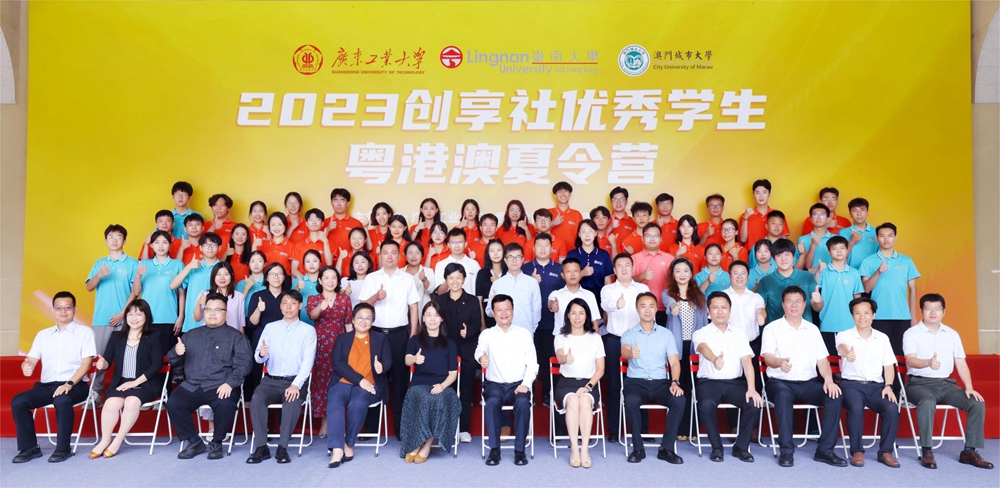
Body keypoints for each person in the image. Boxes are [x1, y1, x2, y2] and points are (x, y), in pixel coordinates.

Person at [903, 293, 994, 470]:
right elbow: (911, 360)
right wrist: (927, 362)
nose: (933, 312)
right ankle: (927, 451)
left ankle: (969, 452)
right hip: (919, 384)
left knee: (976, 403)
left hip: (945, 384)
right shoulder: (911, 333)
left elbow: (961, 362)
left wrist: (969, 387)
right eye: (928, 308)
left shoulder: (952, 334)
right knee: (927, 401)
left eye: (937, 309)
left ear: (943, 312)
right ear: (922, 311)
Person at [760, 286, 847, 468]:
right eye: (789, 301)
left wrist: (829, 381)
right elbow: (768, 358)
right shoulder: (772, 328)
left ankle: (825, 451)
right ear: (783, 305)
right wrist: (779, 362)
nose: (794, 305)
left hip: (808, 384)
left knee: (834, 395)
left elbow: (822, 361)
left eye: (798, 301)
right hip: (780, 383)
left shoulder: (812, 329)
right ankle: (786, 451)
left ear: (804, 304)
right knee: (783, 395)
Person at [11, 292, 96, 464]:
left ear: (75, 309)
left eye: (67, 307)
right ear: (52, 310)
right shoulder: (43, 334)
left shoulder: (85, 332)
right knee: (18, 401)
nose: (63, 311)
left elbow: (86, 364)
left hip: (76, 385)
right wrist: (26, 366)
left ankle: (63, 449)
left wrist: (69, 384)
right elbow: (30, 359)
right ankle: (30, 448)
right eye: (59, 308)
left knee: (62, 400)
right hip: (47, 386)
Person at [167, 292, 253, 460]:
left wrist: (230, 383)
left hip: (222, 384)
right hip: (194, 384)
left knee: (225, 403)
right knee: (174, 403)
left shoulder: (237, 337)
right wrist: (177, 352)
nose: (212, 313)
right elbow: (172, 359)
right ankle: (194, 442)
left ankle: (217, 442)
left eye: (217, 310)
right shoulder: (191, 335)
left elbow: (245, 364)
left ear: (226, 313)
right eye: (208, 310)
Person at [248, 290, 317, 464]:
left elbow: (307, 363)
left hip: (295, 380)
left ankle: (282, 448)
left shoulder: (308, 331)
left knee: (292, 402)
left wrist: (295, 385)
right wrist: (262, 354)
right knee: (256, 399)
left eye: (293, 303)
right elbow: (258, 357)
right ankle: (261, 447)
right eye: (285, 303)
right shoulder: (270, 328)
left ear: (299, 306)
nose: (288, 307)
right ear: (280, 306)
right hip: (270, 381)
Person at [359, 240, 420, 438]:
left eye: (394, 252)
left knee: (401, 381)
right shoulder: (372, 278)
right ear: (380, 255)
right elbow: (361, 307)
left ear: (399, 255)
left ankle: (401, 427)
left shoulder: (407, 279)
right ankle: (371, 428)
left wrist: (413, 334)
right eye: (386, 252)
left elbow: (413, 307)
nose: (390, 256)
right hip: (375, 334)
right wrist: (375, 297)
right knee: (374, 378)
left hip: (400, 334)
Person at [692, 292, 762, 462]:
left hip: (734, 384)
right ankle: (717, 447)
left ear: (730, 310)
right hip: (709, 384)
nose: (720, 311)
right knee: (706, 405)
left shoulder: (739, 333)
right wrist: (714, 359)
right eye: (715, 308)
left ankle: (741, 447)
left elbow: (747, 361)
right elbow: (702, 348)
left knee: (754, 403)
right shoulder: (701, 333)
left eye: (724, 307)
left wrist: (751, 388)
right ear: (708, 311)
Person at [91, 299, 164, 458]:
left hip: (145, 383)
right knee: (110, 403)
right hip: (121, 382)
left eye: (139, 314)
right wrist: (102, 364)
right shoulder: (117, 336)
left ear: (146, 316)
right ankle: (105, 440)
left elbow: (156, 365)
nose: (134, 318)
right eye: (130, 314)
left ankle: (118, 440)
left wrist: (135, 383)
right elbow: (107, 362)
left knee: (131, 401)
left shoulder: (154, 336)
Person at [620, 292, 686, 465]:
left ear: (657, 309)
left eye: (651, 306)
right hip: (636, 382)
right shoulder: (629, 334)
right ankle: (638, 448)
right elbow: (624, 350)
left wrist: (675, 382)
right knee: (631, 400)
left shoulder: (666, 334)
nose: (647, 310)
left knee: (679, 400)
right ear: (637, 309)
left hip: (661, 384)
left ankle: (666, 448)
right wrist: (630, 353)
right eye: (643, 306)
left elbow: (674, 362)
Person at [835, 297, 900, 468]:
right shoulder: (844, 335)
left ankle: (885, 452)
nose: (862, 317)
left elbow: (889, 366)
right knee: (856, 408)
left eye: (866, 313)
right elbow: (841, 347)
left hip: (877, 387)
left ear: (873, 315)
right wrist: (847, 353)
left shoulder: (882, 338)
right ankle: (857, 451)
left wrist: (888, 386)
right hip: (851, 386)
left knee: (891, 407)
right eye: (857, 313)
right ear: (852, 315)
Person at [326, 303, 392, 468]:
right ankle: (337, 449)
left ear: (372, 321)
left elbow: (388, 361)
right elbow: (338, 364)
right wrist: (360, 380)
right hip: (343, 383)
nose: (363, 321)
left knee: (358, 403)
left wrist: (382, 366)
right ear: (353, 320)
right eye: (360, 317)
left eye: (368, 318)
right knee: (335, 402)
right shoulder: (343, 339)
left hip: (370, 385)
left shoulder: (380, 339)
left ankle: (349, 443)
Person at [476, 294, 538, 466]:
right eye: (499, 310)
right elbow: (480, 350)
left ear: (513, 311)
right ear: (493, 313)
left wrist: (525, 384)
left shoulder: (524, 334)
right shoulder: (487, 334)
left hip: (518, 384)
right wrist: (481, 358)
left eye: (507, 309)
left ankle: (520, 451)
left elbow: (533, 364)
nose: (504, 313)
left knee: (523, 403)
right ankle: (494, 450)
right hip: (494, 384)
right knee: (492, 402)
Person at [400, 302, 461, 463]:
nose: (432, 319)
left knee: (438, 400)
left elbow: (453, 374)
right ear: (423, 318)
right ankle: (416, 442)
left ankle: (426, 445)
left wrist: (442, 386)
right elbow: (407, 359)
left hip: (442, 385)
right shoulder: (415, 340)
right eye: (428, 315)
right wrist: (414, 359)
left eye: (436, 315)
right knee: (422, 397)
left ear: (441, 319)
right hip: (419, 384)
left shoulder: (450, 343)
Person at [86, 224, 139, 406]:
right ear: (105, 240)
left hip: (126, 320)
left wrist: (122, 314)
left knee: (127, 358)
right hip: (101, 319)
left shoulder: (132, 263)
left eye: (118, 237)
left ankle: (127, 393)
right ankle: (95, 393)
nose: (115, 240)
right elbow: (89, 287)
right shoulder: (100, 263)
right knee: (99, 358)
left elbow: (135, 292)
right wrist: (99, 275)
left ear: (124, 241)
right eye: (111, 237)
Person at [600, 253, 649, 443]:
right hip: (615, 341)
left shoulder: (642, 289)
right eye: (619, 266)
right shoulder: (608, 289)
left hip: (639, 340)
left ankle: (643, 430)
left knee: (641, 382)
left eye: (627, 265)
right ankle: (614, 429)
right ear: (614, 270)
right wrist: (616, 304)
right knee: (614, 385)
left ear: (633, 268)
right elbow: (605, 305)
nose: (623, 269)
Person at [553, 299, 606, 468]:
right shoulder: (560, 337)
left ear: (586, 316)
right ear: (568, 315)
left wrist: (588, 386)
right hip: (566, 384)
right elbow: (559, 356)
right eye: (574, 313)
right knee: (572, 400)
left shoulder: (595, 338)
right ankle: (574, 449)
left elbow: (600, 369)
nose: (577, 317)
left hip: (589, 383)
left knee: (584, 400)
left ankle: (585, 450)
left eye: (581, 313)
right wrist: (565, 359)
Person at [436, 263, 484, 443]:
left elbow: (477, 323)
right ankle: (446, 429)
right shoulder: (440, 301)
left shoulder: (472, 301)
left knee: (465, 392)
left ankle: (464, 429)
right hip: (444, 353)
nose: (455, 281)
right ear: (446, 280)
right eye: (451, 278)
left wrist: (468, 331)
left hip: (466, 352)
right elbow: (435, 324)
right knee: (446, 392)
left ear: (464, 279)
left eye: (458, 277)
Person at [661, 257, 708, 440]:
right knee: (678, 389)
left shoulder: (700, 294)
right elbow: (670, 304)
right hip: (677, 348)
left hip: (695, 348)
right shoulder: (668, 293)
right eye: (678, 271)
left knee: (695, 389)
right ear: (673, 274)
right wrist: (674, 307)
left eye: (686, 270)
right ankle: (680, 429)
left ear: (691, 274)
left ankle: (693, 429)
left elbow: (704, 322)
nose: (682, 274)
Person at [307, 266, 353, 439]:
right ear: (320, 280)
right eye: (326, 277)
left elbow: (348, 324)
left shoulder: (344, 299)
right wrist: (321, 306)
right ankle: (325, 421)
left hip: (341, 345)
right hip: (321, 347)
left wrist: (351, 346)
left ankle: (339, 420)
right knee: (322, 383)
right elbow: (312, 316)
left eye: (334, 277)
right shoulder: (313, 299)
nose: (330, 281)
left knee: (340, 382)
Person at [860, 223, 920, 355]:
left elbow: (913, 290)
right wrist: (878, 272)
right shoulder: (868, 261)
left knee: (901, 354)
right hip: (877, 316)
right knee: (878, 355)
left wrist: (913, 316)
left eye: (890, 236)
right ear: (877, 238)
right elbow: (867, 289)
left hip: (902, 316)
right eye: (882, 236)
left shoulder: (906, 261)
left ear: (895, 237)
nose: (886, 239)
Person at [521, 233, 565, 406]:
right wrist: (530, 282)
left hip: (550, 323)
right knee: (528, 360)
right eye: (539, 245)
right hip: (528, 323)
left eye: (546, 245)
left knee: (547, 360)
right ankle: (528, 394)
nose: (543, 248)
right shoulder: (525, 269)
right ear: (533, 248)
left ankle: (547, 394)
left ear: (551, 248)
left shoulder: (559, 269)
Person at [133, 230, 185, 356]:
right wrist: (138, 275)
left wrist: (180, 316)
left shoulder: (177, 264)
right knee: (147, 357)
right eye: (156, 242)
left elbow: (181, 293)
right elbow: (136, 291)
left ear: (170, 245)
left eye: (164, 242)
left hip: (169, 318)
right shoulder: (143, 264)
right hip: (146, 318)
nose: (160, 246)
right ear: (151, 245)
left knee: (168, 356)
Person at [246, 262, 291, 400]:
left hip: (285, 342)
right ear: (266, 277)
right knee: (258, 375)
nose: (276, 277)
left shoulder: (289, 297)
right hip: (262, 341)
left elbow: (295, 321)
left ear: (284, 277)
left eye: (280, 274)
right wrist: (258, 309)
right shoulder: (257, 296)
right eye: (272, 274)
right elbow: (251, 323)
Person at [816, 236, 863, 354]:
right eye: (834, 248)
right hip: (827, 323)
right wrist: (818, 272)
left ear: (847, 250)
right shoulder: (823, 272)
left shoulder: (854, 273)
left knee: (850, 358)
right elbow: (814, 290)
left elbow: (858, 299)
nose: (839, 251)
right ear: (829, 251)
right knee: (830, 359)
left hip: (849, 324)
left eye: (842, 248)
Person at [756, 238, 820, 324]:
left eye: (787, 254)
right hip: (777, 330)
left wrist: (818, 301)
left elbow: (817, 308)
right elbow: (761, 307)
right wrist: (761, 316)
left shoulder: (807, 277)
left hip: (803, 328)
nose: (783, 259)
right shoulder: (765, 281)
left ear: (793, 256)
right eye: (779, 255)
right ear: (774, 258)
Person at [171, 232, 223, 333]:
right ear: (200, 248)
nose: (210, 248)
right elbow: (173, 285)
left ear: (219, 247)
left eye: (213, 244)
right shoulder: (193, 267)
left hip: (216, 322)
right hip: (192, 323)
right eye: (206, 245)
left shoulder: (223, 269)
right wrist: (188, 267)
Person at [485, 243, 542, 335]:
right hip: (503, 334)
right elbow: (489, 312)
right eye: (510, 257)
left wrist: (531, 330)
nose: (514, 260)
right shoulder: (497, 284)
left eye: (518, 257)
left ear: (523, 260)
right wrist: (493, 304)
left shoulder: (532, 283)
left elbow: (537, 311)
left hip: (525, 333)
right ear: (505, 260)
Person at [631, 223, 674, 324]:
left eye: (656, 236)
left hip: (665, 307)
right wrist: (642, 276)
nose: (652, 239)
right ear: (642, 238)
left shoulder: (670, 259)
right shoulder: (634, 258)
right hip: (642, 308)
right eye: (648, 235)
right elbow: (627, 282)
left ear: (661, 238)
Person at [723, 261, 767, 358]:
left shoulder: (755, 297)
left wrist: (762, 316)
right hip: (729, 346)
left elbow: (761, 310)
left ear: (748, 277)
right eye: (735, 273)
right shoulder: (722, 297)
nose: (739, 277)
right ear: (729, 276)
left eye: (743, 274)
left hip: (753, 345)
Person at [548, 259, 601, 335]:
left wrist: (596, 338)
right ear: (563, 275)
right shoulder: (556, 294)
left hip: (584, 339)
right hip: (562, 339)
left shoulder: (589, 295)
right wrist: (553, 305)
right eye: (568, 271)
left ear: (580, 273)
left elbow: (594, 321)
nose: (572, 274)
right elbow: (550, 303)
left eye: (576, 271)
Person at [566, 219, 614, 301]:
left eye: (590, 231)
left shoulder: (604, 255)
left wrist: (607, 302)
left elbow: (607, 282)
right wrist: (582, 273)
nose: (587, 235)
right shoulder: (572, 255)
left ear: (595, 233)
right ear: (579, 234)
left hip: (599, 298)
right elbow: (567, 280)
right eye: (584, 231)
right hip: (577, 297)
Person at [192, 262, 246, 332]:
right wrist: (198, 304)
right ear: (213, 276)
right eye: (218, 274)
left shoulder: (239, 296)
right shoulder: (205, 294)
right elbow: (197, 319)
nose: (222, 278)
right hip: (210, 334)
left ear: (231, 275)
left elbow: (241, 325)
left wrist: (242, 338)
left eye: (226, 274)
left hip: (232, 336)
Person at [739, 179, 789, 246]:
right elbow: (742, 240)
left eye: (764, 192)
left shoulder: (778, 215)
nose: (761, 196)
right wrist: (746, 218)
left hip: (772, 251)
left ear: (769, 194)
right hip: (752, 252)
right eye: (757, 193)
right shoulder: (745, 216)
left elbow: (783, 239)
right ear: (753, 195)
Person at [433, 228, 481, 296]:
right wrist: (449, 278)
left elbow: (480, 290)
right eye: (453, 243)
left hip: (470, 302)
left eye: (460, 242)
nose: (457, 246)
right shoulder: (440, 265)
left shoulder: (474, 264)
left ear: (465, 244)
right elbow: (439, 292)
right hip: (448, 302)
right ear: (448, 245)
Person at [838, 198, 878, 270]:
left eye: (862, 210)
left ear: (867, 213)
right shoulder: (843, 233)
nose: (859, 214)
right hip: (850, 272)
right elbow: (838, 257)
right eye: (855, 210)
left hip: (873, 273)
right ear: (850, 214)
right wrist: (851, 242)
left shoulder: (877, 231)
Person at [475, 238, 506, 330]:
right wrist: (482, 324)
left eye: (498, 250)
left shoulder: (508, 273)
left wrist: (497, 282)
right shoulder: (482, 273)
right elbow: (479, 300)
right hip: (487, 316)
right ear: (488, 254)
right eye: (492, 251)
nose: (495, 253)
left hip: (506, 315)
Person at [796, 204, 834, 273]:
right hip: (810, 277)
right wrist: (812, 245)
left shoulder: (836, 238)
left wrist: (818, 270)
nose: (818, 218)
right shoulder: (802, 239)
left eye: (822, 215)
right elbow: (806, 266)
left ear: (828, 219)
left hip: (830, 276)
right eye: (815, 215)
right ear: (810, 219)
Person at [549, 181, 583, 252]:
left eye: (566, 191)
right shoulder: (548, 213)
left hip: (572, 252)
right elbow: (539, 233)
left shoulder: (577, 214)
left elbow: (582, 235)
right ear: (555, 195)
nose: (563, 193)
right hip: (552, 252)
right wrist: (552, 223)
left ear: (570, 194)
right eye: (559, 191)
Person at [403, 241, 436, 313]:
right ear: (405, 255)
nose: (414, 256)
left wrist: (424, 279)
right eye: (410, 253)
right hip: (403, 312)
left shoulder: (428, 271)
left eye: (417, 253)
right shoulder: (400, 272)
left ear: (422, 255)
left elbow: (431, 290)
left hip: (422, 311)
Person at [291, 250, 323, 325]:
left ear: (320, 263)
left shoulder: (325, 280)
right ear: (304, 265)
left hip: (322, 323)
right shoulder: (298, 280)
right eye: (308, 261)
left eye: (315, 261)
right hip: (302, 323)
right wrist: (298, 287)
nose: (311, 264)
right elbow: (291, 299)